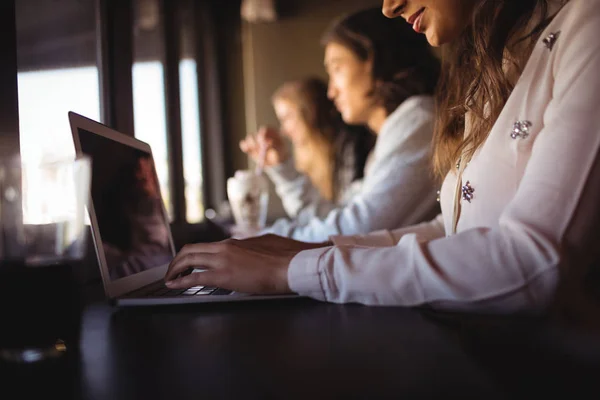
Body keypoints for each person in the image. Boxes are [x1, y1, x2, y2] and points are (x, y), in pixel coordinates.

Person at [165, 0, 600, 324]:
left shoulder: (588, 25)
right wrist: (312, 249)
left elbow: (535, 261)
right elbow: (454, 229)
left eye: (336, 68)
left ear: (373, 60)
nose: (390, 6)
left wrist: (291, 268)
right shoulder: (490, 69)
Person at [238, 8, 441, 242]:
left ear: (375, 60)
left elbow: (356, 230)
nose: (331, 92)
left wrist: (259, 241)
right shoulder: (392, 137)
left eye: (337, 68)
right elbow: (337, 217)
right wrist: (283, 168)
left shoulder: (418, 120)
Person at [242, 78, 374, 206]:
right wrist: (280, 165)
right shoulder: (316, 159)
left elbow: (338, 219)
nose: (283, 130)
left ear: (311, 113)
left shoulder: (353, 148)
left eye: (287, 117)